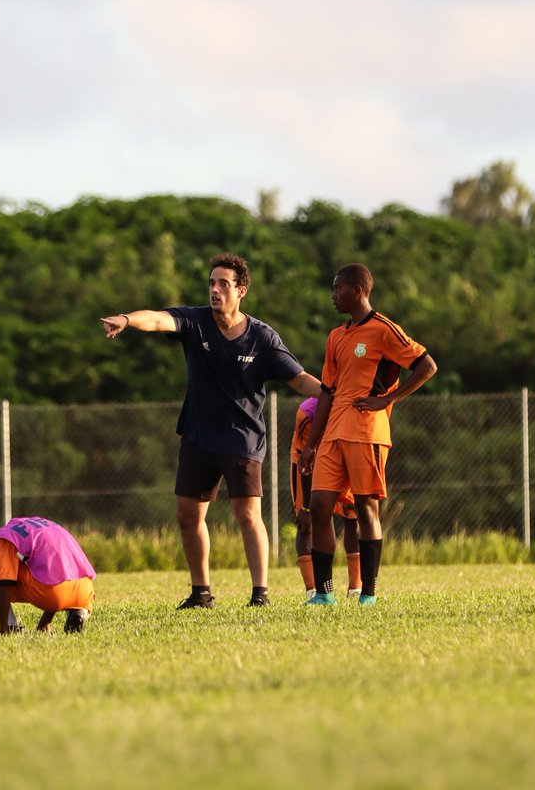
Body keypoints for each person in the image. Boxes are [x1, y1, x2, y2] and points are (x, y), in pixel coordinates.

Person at [101, 253, 322, 609]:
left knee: (247, 515)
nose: (215, 290)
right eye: (211, 283)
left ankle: (260, 594)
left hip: (242, 438)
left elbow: (299, 379)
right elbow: (157, 319)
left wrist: (332, 394)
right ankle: (201, 593)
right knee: (187, 515)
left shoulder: (262, 337)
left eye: (223, 284)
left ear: (241, 290)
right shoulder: (196, 321)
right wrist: (127, 319)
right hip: (198, 436)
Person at [300, 263, 437, 606]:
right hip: (333, 433)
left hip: (366, 433)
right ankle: (324, 594)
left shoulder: (384, 329)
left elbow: (427, 365)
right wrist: (311, 445)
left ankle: (369, 594)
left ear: (358, 291)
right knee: (319, 506)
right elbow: (327, 392)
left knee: (365, 508)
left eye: (338, 289)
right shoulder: (336, 336)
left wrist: (388, 399)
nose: (333, 295)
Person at [291, 396, 361, 599]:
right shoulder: (308, 413)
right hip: (307, 456)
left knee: (352, 513)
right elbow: (305, 461)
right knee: (308, 519)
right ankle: (313, 589)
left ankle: (356, 587)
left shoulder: (356, 409)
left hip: (346, 450)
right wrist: (306, 507)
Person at [0, 516, 96, 634]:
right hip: (85, 591)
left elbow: (4, 583)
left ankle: (10, 625)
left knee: (1, 575)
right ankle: (79, 612)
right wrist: (44, 623)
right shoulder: (33, 523)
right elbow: (54, 567)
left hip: (52, 592)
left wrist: (3, 629)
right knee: (45, 569)